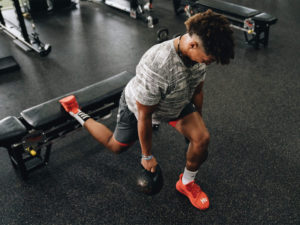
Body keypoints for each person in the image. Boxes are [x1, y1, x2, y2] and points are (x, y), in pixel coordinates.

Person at [59, 9, 234, 210]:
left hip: (176, 101)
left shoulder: (199, 56)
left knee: (201, 138)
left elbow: (197, 91)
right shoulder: (158, 64)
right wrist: (147, 156)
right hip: (141, 107)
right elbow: (145, 115)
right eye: (209, 58)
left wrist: (198, 120)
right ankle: (76, 112)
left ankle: (186, 184)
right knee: (116, 146)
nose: (208, 62)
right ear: (192, 44)